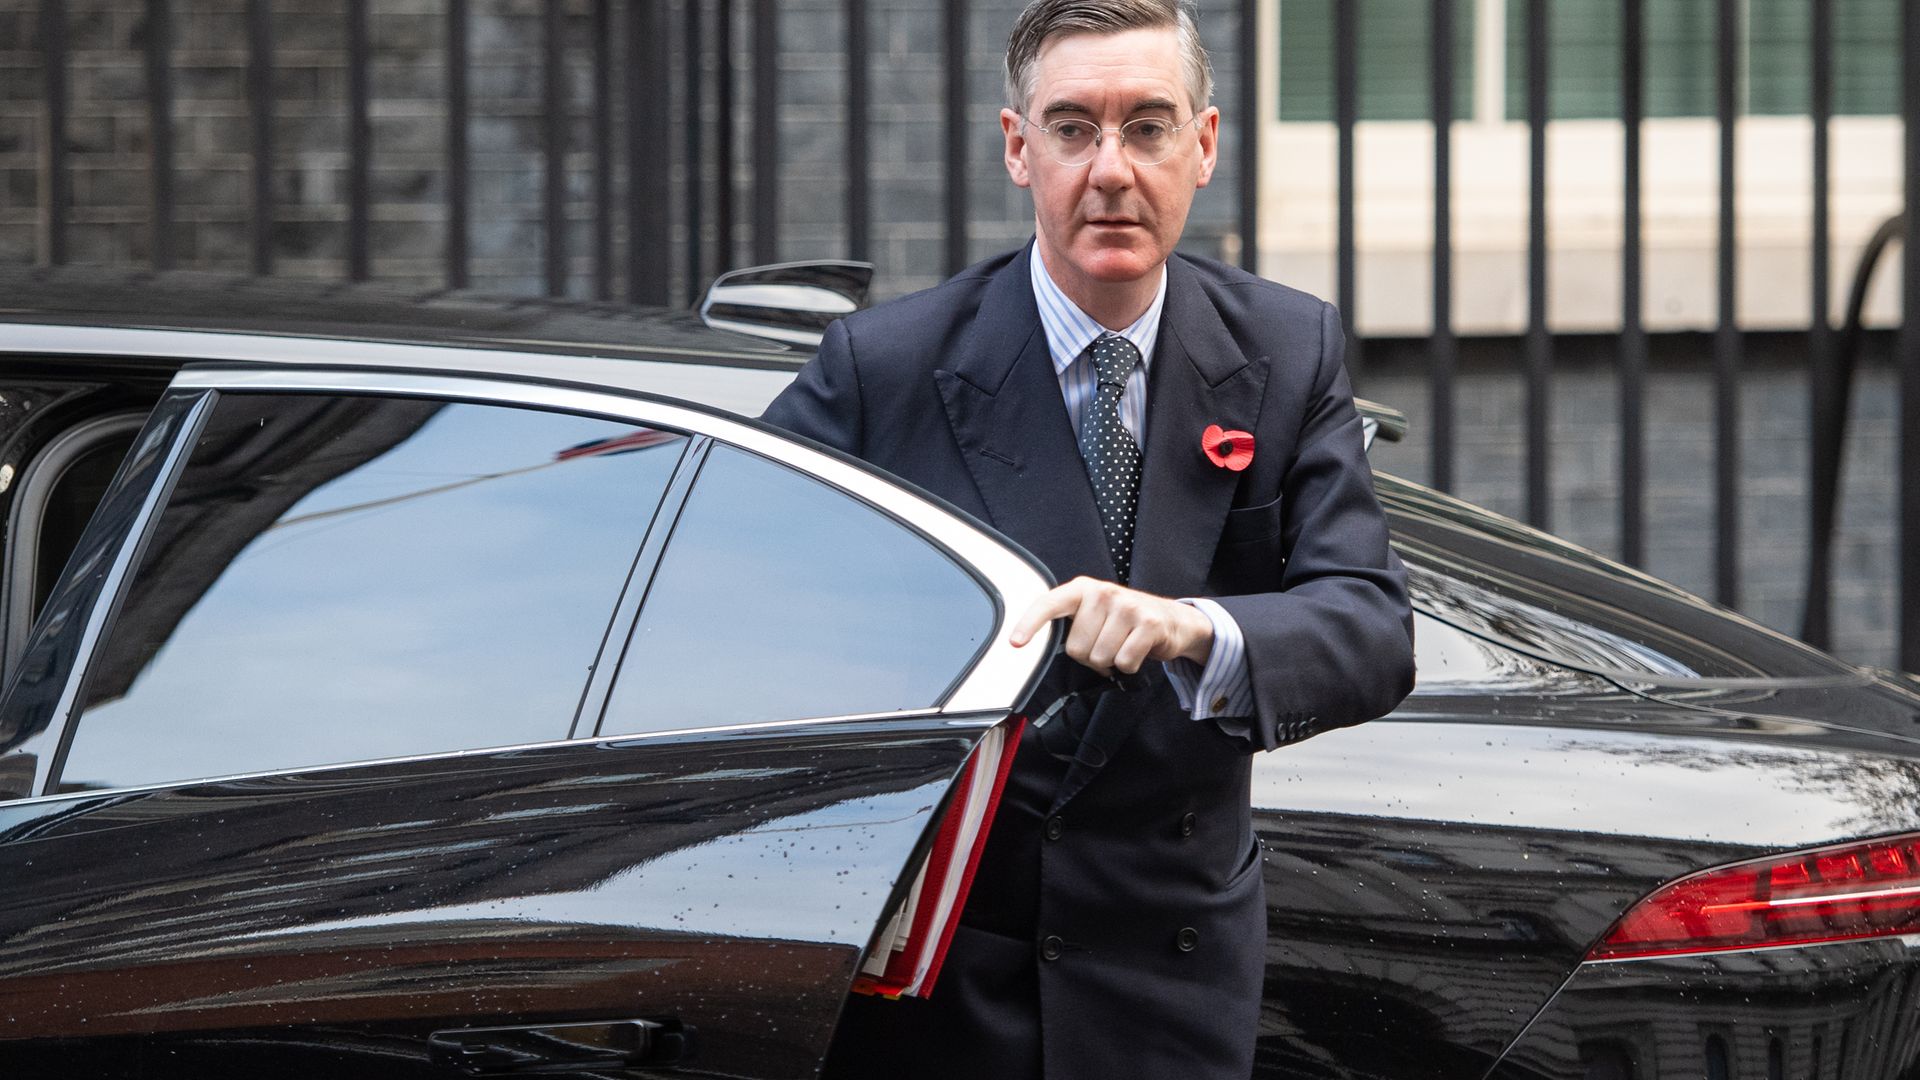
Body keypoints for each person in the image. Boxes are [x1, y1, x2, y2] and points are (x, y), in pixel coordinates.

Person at [762, 1, 1415, 1076]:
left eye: (1148, 127)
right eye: (1073, 128)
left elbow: (1371, 627)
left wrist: (1194, 628)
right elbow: (735, 594)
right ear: (1019, 149)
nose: (1111, 169)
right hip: (946, 986)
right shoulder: (885, 369)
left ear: (1203, 147)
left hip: (1173, 973)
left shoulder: (1287, 349)